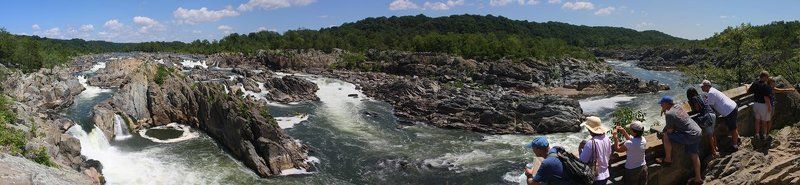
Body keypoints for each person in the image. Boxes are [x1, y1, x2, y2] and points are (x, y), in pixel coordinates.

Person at [658, 96, 703, 184]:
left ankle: (668, 159)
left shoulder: (670, 114)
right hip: (697, 131)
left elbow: (670, 130)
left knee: (665, 135)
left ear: (667, 104)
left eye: (662, 104)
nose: (660, 106)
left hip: (690, 135)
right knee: (694, 155)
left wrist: (666, 114)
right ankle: (698, 178)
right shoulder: (678, 106)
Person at [701, 80, 740, 149]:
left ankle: (735, 145)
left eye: (702, 86)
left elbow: (710, 106)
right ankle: (737, 138)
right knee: (733, 126)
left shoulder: (711, 93)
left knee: (733, 128)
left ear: (707, 86)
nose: (701, 88)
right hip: (732, 107)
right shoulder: (713, 90)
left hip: (729, 111)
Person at [578, 116, 612, 185]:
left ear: (590, 129)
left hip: (595, 177)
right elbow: (609, 153)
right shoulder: (607, 138)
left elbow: (583, 160)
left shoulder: (590, 143)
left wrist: (580, 149)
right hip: (606, 174)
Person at [686, 87, 718, 157]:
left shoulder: (694, 98)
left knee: (709, 135)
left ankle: (714, 151)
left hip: (707, 116)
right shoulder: (702, 95)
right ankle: (716, 147)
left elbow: (697, 108)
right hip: (713, 113)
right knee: (713, 132)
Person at [747, 71, 773, 141]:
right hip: (763, 105)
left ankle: (757, 134)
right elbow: (766, 97)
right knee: (764, 121)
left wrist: (746, 86)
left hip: (756, 104)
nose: (768, 78)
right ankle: (764, 136)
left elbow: (748, 91)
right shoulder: (766, 85)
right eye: (767, 77)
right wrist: (769, 106)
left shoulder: (755, 83)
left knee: (757, 120)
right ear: (764, 77)